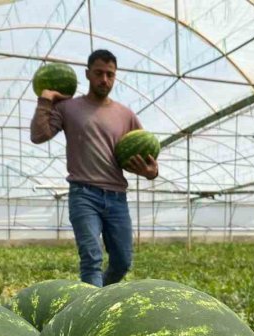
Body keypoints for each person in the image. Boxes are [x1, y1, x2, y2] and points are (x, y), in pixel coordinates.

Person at [30, 49, 158, 287]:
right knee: (91, 258)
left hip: (117, 196)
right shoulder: (68, 108)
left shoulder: (126, 115)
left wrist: (151, 172)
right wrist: (45, 100)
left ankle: (100, 297)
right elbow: (39, 135)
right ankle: (92, 312)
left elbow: (144, 157)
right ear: (87, 74)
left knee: (122, 261)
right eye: (99, 73)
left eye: (110, 74)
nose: (105, 80)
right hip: (83, 194)